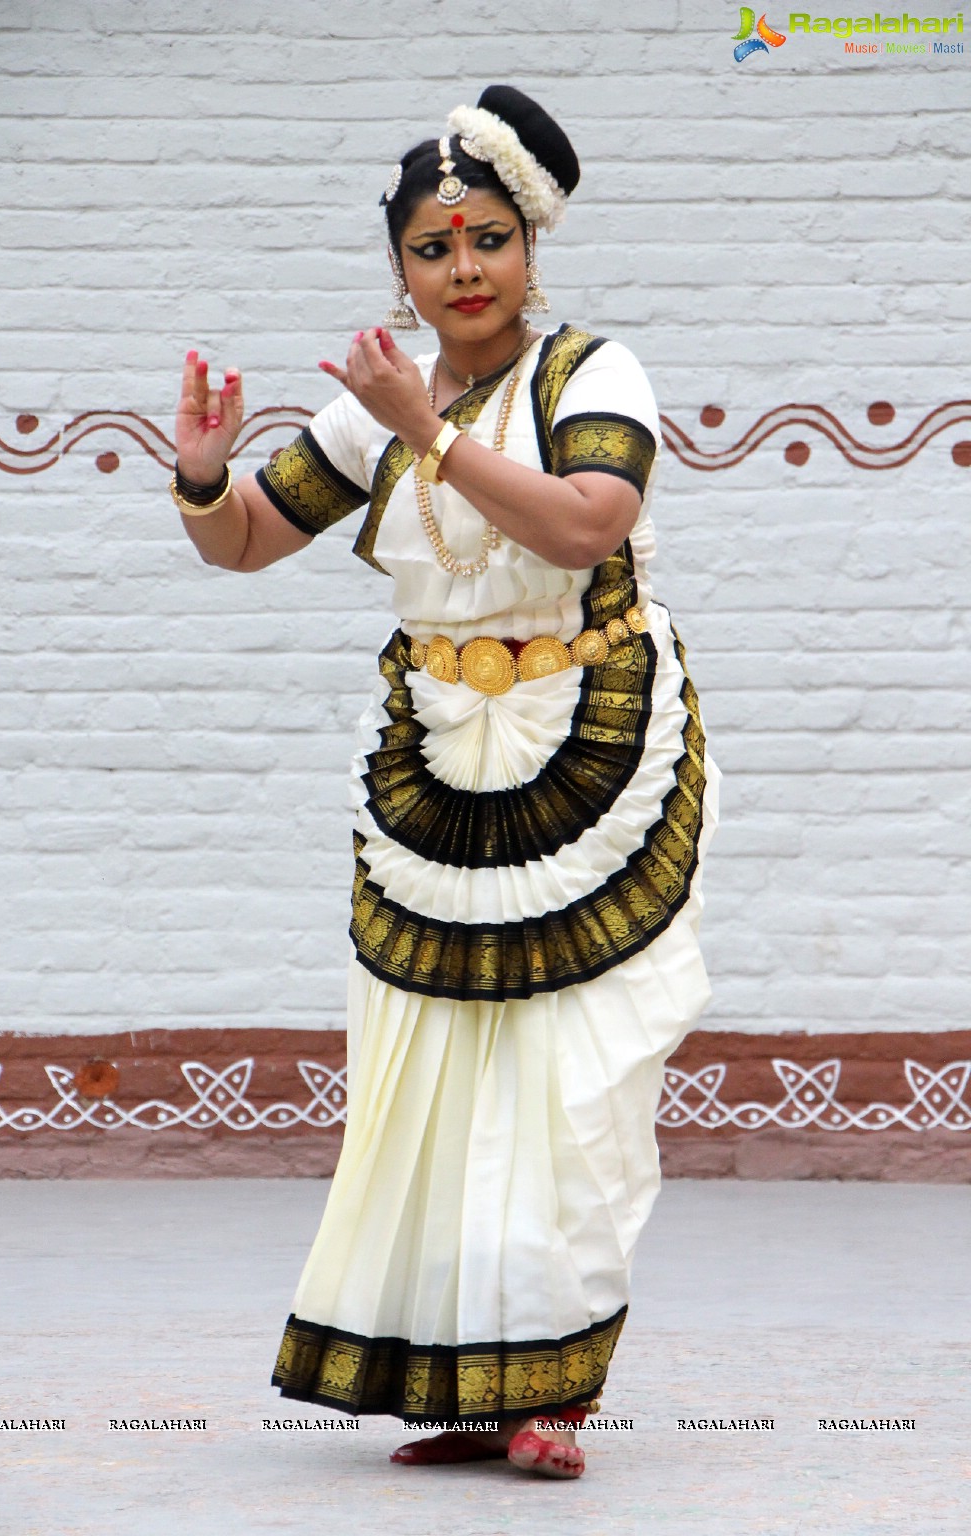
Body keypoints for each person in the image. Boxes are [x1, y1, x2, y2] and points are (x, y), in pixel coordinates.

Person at [171, 85, 719, 1481]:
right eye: (431, 247)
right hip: (439, 754)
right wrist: (201, 473)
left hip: (586, 742)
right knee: (437, 1075)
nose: (461, 269)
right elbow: (246, 544)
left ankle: (560, 1391)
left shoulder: (591, 372)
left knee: (569, 1077)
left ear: (529, 246)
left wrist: (429, 429)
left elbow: (593, 517)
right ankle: (472, 1383)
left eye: (485, 238)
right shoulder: (384, 396)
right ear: (401, 266)